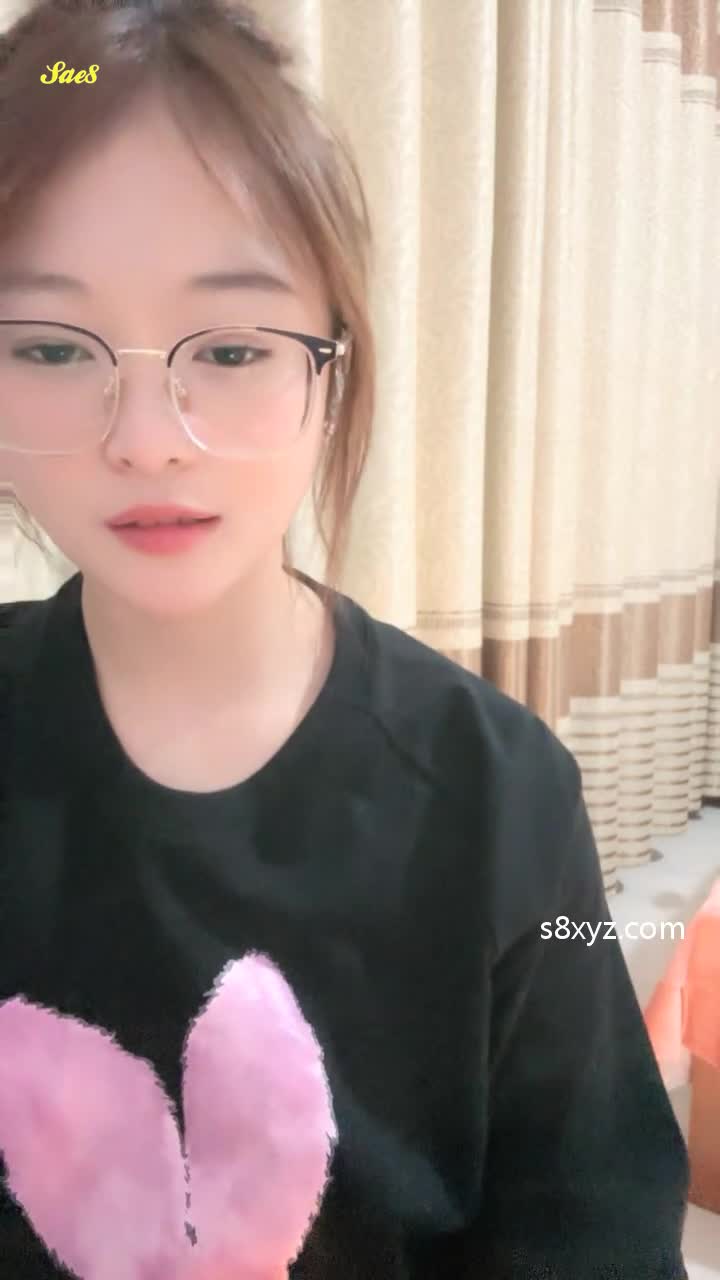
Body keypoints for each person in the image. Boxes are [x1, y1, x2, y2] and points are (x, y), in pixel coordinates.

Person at [0, 2, 690, 1277]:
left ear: (333, 371)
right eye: (50, 345)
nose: (145, 437)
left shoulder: (501, 793)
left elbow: (592, 1226)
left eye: (230, 348)